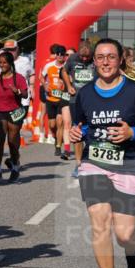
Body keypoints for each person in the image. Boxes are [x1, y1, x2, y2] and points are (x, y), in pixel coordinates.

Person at [68, 38, 135, 268]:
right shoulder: (84, 94)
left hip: (130, 164)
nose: (105, 62)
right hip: (94, 163)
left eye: (110, 57)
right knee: (99, 223)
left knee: (123, 233)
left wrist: (133, 132)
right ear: (93, 61)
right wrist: (77, 132)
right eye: (100, 57)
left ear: (120, 60)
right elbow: (81, 126)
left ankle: (133, 253)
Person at [0, 51, 28, 184]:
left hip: (14, 112)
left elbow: (25, 95)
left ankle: (15, 168)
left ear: (11, 63)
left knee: (12, 143)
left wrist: (17, 91)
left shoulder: (19, 78)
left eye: (5, 62)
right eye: (0, 63)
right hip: (0, 112)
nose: (2, 65)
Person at [61, 41, 95, 178]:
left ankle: (93, 163)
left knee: (94, 131)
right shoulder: (73, 58)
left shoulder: (96, 58)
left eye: (88, 57)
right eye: (83, 57)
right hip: (76, 101)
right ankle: (79, 164)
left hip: (94, 101)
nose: (85, 59)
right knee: (77, 131)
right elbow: (63, 71)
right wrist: (68, 85)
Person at [42, 44, 69, 159]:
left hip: (62, 99)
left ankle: (58, 146)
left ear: (65, 56)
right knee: (52, 125)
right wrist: (45, 85)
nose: (60, 57)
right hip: (50, 99)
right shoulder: (49, 66)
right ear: (55, 56)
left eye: (62, 55)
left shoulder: (67, 67)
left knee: (60, 122)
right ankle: (56, 137)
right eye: (58, 54)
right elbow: (41, 77)